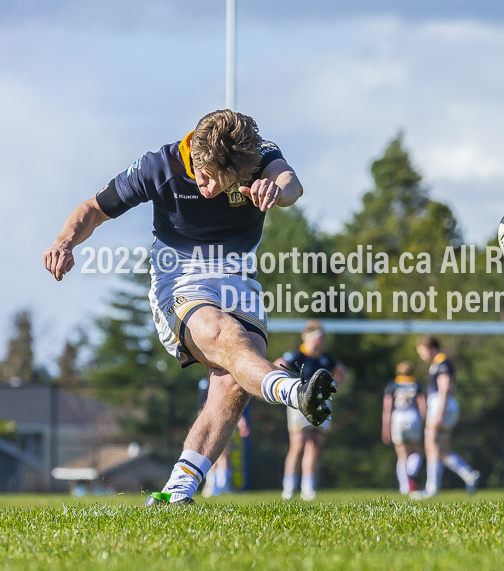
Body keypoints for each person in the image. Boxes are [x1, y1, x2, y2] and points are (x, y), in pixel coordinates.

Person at [43, 110, 337, 506]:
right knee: (228, 337)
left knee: (234, 380)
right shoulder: (158, 166)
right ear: (193, 154)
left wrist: (277, 191)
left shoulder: (257, 156)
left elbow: (291, 182)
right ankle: (293, 392)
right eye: (202, 172)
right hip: (179, 276)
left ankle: (177, 491)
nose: (208, 185)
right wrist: (64, 241)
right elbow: (94, 208)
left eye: (219, 178)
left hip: (238, 276)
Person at [275, 320, 346, 501]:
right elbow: (277, 366)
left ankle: (308, 487)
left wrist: (334, 387)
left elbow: (341, 372)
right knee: (298, 445)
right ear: (309, 338)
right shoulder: (296, 356)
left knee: (315, 445)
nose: (322, 342)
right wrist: (287, 388)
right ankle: (289, 487)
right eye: (319, 338)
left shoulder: (326, 358)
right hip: (300, 403)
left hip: (322, 403)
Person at [413, 336, 480, 497]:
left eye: (422, 352)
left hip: (440, 406)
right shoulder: (438, 364)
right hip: (443, 406)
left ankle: (432, 488)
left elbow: (445, 388)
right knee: (441, 451)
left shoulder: (442, 364)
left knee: (431, 447)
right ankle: (468, 474)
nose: (422, 356)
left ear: (430, 348)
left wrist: (439, 413)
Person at [382, 360, 426, 495]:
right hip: (413, 417)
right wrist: (425, 422)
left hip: (398, 417)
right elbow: (422, 405)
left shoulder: (393, 385)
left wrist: (385, 427)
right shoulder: (416, 384)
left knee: (401, 455)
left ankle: (404, 486)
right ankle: (412, 471)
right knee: (417, 451)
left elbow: (387, 408)